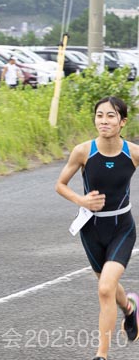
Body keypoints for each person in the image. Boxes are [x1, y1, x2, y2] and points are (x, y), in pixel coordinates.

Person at [55, 96, 139, 360]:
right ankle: (130, 309)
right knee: (108, 285)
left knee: (104, 288)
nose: (104, 121)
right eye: (100, 115)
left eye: (111, 116)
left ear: (122, 122)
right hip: (91, 230)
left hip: (122, 227)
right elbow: (60, 185)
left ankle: (101, 355)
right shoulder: (83, 151)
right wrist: (81, 200)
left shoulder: (133, 152)